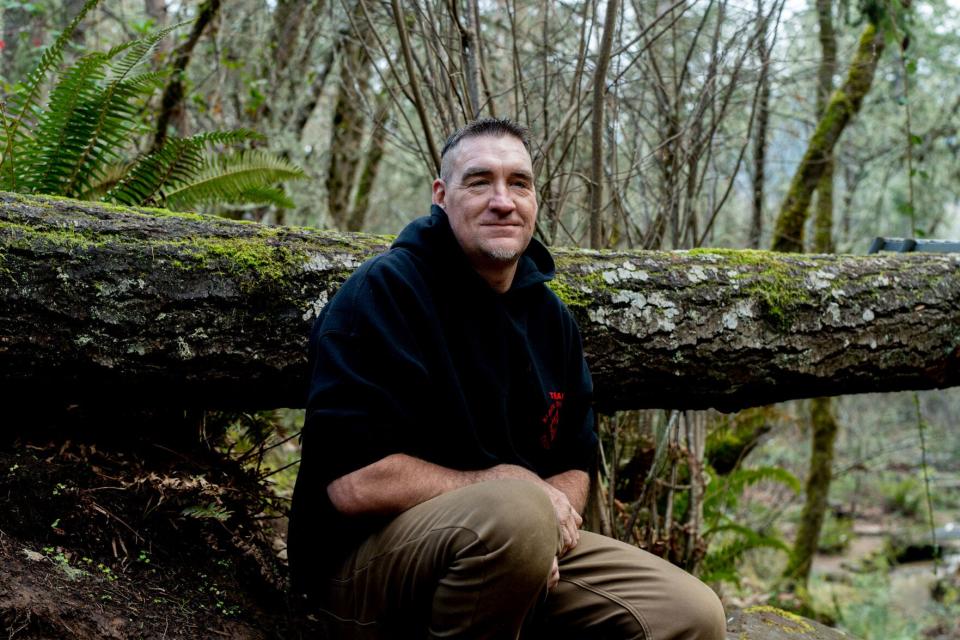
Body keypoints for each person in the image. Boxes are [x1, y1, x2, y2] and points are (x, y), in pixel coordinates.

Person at [287, 118, 726, 639]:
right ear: (441, 195)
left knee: (690, 615)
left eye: (519, 183)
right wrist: (520, 497)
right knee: (519, 510)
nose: (503, 200)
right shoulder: (383, 295)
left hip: (512, 548)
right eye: (480, 182)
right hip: (363, 573)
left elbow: (574, 458)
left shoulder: (549, 318)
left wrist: (553, 524)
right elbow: (353, 484)